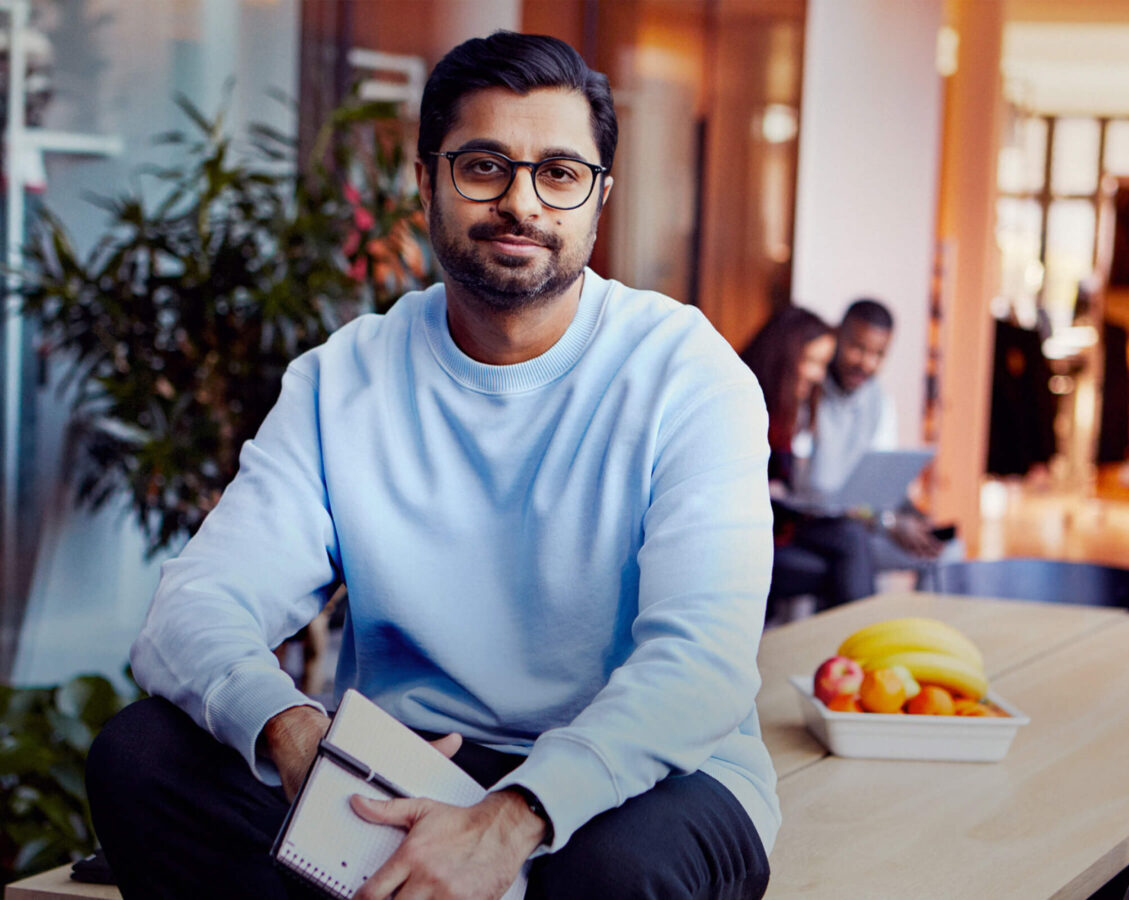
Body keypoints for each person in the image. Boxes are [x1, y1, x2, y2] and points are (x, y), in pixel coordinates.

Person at [85, 32, 777, 900]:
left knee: (612, 875)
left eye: (559, 174)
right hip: (409, 765)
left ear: (599, 198)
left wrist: (508, 820)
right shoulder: (345, 378)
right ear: (426, 181)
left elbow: (700, 667)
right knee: (141, 756)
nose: (521, 202)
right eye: (484, 166)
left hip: (647, 780)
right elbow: (193, 607)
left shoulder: (688, 375)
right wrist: (295, 733)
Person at [795, 299, 963, 588]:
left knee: (948, 549)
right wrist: (887, 522)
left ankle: (925, 634)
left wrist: (902, 518)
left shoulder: (880, 402)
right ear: (837, 336)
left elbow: (878, 485)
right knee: (854, 539)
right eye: (857, 348)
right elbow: (812, 490)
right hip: (822, 525)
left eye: (879, 354)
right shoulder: (807, 389)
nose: (867, 363)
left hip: (868, 522)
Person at [740, 306, 877, 613]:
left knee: (850, 538)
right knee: (848, 549)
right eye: (811, 361)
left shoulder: (788, 410)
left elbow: (781, 479)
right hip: (752, 532)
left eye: (823, 364)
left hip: (781, 522)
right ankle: (858, 650)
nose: (818, 375)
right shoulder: (743, 404)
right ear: (783, 356)